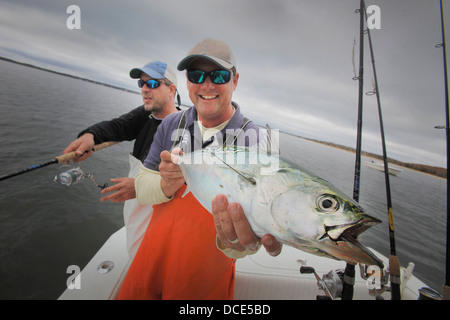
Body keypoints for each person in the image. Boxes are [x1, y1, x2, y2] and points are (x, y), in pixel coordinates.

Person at [118, 38, 282, 300]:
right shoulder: (170, 123)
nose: (207, 85)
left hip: (204, 271)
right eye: (196, 75)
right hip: (152, 255)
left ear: (235, 81)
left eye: (218, 75)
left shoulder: (260, 141)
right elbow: (143, 188)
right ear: (186, 81)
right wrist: (165, 185)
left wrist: (239, 246)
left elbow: (256, 224)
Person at [62, 61, 180, 258]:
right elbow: (119, 126)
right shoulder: (146, 115)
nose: (144, 89)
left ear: (171, 89)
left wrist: (139, 187)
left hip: (159, 220)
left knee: (148, 260)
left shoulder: (183, 129)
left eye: (152, 84)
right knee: (134, 252)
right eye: (141, 84)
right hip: (135, 214)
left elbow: (183, 181)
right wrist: (90, 136)